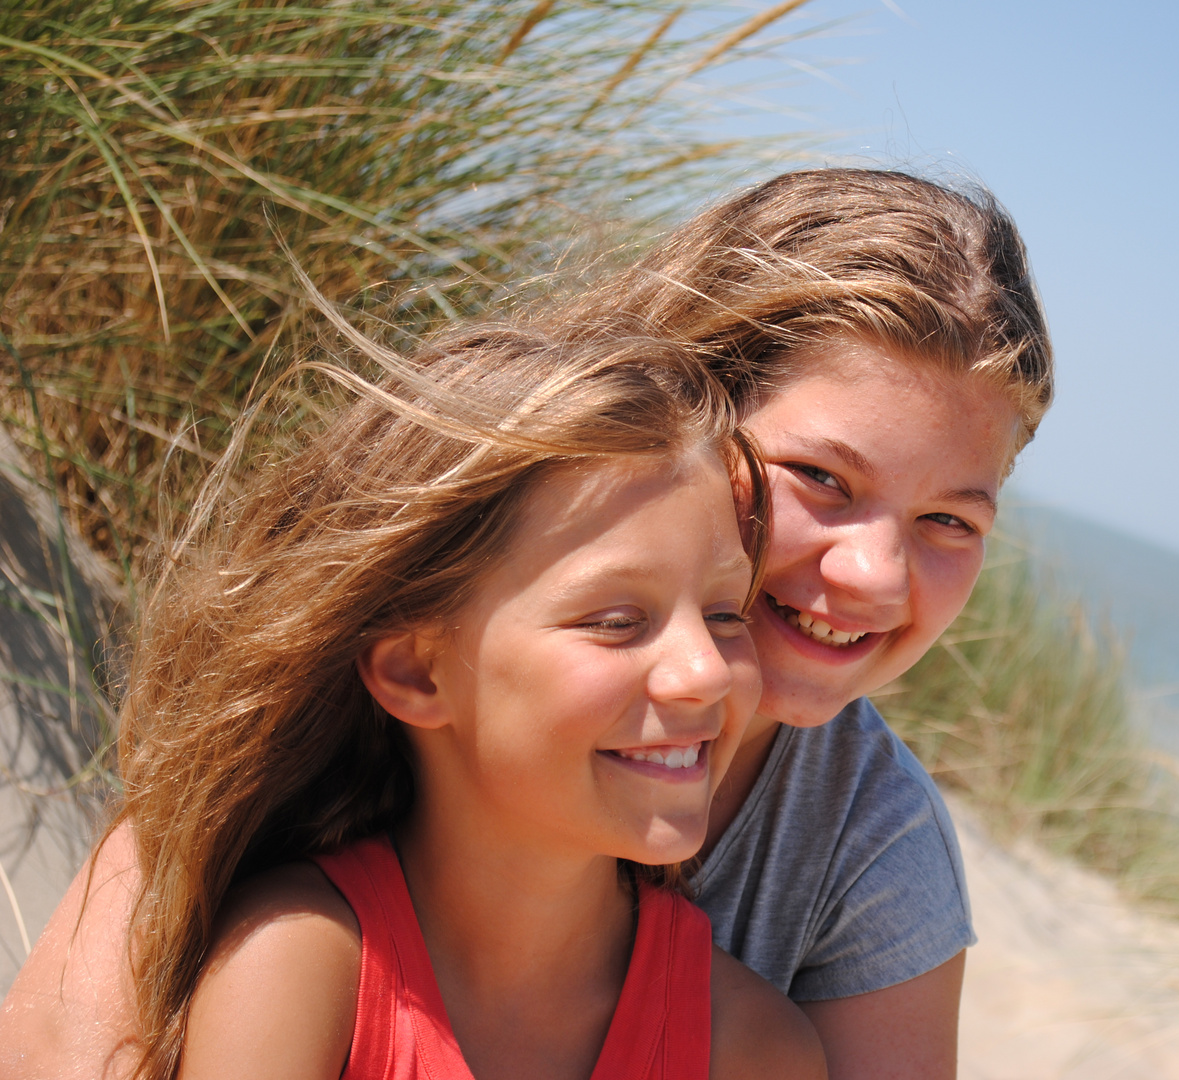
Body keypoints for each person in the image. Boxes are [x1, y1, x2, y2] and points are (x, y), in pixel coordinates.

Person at [1, 168, 1053, 1079]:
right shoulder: (322, 764)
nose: (872, 572)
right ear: (676, 413)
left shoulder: (870, 845)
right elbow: (69, 1050)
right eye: (820, 478)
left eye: (948, 520)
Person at [12, 319, 826, 1080]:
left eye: (725, 614)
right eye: (615, 621)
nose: (708, 671)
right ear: (414, 673)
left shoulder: (752, 1046)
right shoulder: (299, 966)